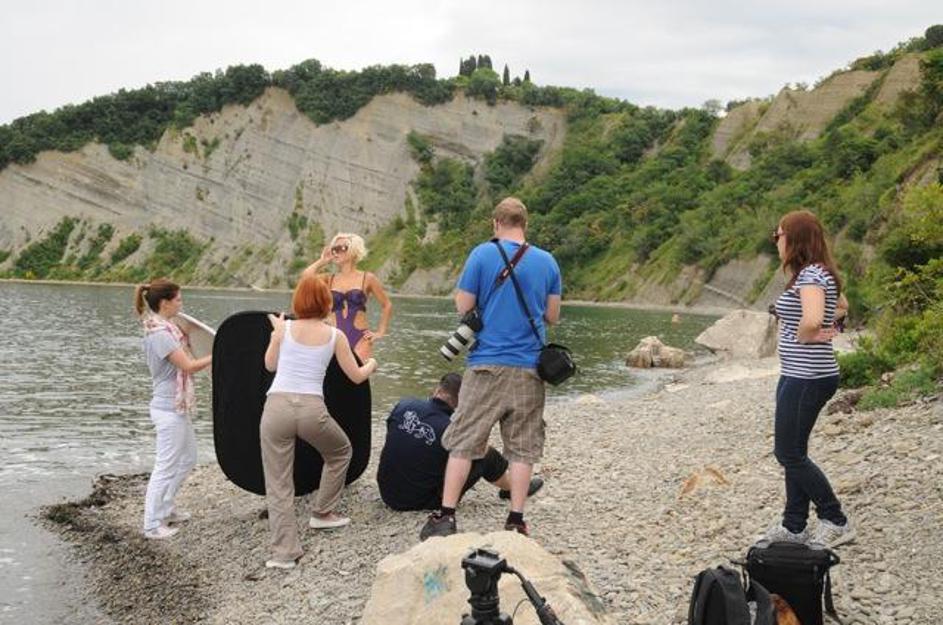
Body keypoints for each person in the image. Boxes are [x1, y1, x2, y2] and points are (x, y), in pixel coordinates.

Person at [420, 197, 561, 540]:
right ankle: (516, 519)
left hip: (486, 365)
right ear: (524, 224)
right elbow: (552, 316)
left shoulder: (482, 254)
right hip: (529, 367)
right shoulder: (547, 261)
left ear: (496, 223)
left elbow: (463, 306)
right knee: (523, 446)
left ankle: (446, 516)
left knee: (464, 440)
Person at [260, 270, 378, 569]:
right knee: (340, 452)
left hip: (276, 407)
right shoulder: (335, 336)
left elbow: (270, 365)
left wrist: (276, 336)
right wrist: (372, 363)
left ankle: (284, 554)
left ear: (297, 301)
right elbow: (356, 376)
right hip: (312, 409)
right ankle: (323, 512)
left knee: (278, 484)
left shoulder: (284, 329)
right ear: (327, 303)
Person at [761, 209, 856, 548]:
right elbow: (842, 306)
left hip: (808, 376)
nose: (776, 241)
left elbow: (813, 319)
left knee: (788, 453)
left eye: (778, 235)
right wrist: (829, 329)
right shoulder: (815, 273)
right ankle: (794, 525)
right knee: (795, 452)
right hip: (799, 374)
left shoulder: (812, 275)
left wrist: (807, 334)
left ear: (794, 238)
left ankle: (835, 519)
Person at [377, 373, 544, 511]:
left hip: (386, 492)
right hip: (420, 501)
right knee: (483, 453)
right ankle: (512, 488)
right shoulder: (452, 429)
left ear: (438, 389)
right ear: (463, 401)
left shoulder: (404, 405)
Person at [134, 279, 212, 540]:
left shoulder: (168, 329)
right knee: (165, 467)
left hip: (175, 407)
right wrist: (219, 352)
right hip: (167, 409)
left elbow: (188, 357)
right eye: (178, 299)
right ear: (165, 303)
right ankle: (151, 525)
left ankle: (165, 508)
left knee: (188, 458)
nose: (181, 303)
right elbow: (188, 366)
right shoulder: (160, 334)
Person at [305, 233, 392, 362]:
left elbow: (387, 305)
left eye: (341, 248)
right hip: (334, 338)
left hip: (360, 338)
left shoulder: (367, 278)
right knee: (335, 375)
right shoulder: (329, 279)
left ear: (353, 250)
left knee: (359, 373)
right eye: (334, 249)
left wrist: (380, 332)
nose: (336, 252)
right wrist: (322, 261)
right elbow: (306, 278)